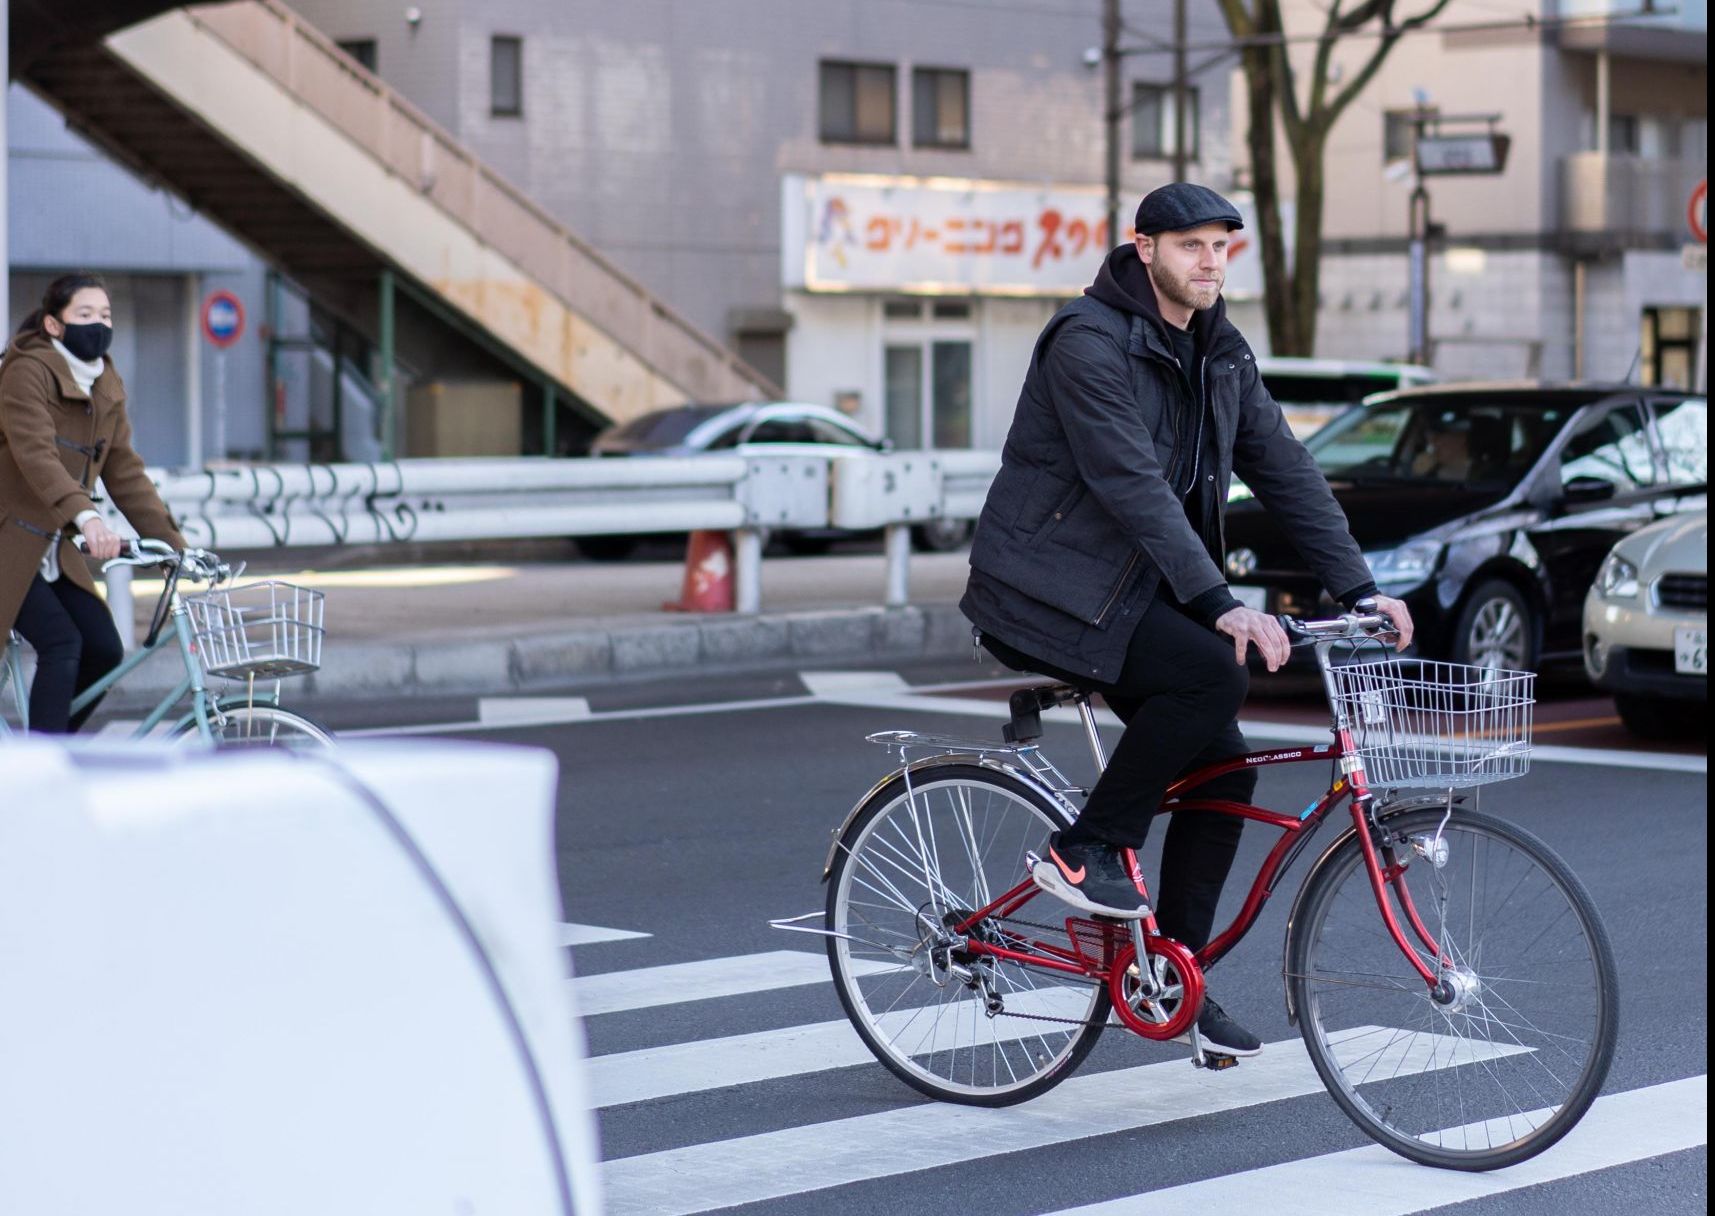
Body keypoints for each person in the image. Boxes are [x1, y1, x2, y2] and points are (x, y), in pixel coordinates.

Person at [960, 184, 1415, 1056]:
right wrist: (1218, 604)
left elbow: (1283, 468)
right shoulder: (1086, 341)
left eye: (1220, 247)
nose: (1208, 263)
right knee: (1210, 672)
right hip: (1042, 588)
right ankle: (1084, 846)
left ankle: (1169, 973)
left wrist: (1358, 588)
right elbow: (1127, 481)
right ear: (1144, 250)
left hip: (1129, 588)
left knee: (1226, 772)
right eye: (1190, 246)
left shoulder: (1219, 348)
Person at [0, 273, 187, 733]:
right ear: (53, 324)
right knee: (62, 642)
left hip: (47, 548)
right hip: (7, 539)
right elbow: (36, 456)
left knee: (103, 649)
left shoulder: (104, 382)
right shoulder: (27, 371)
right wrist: (87, 517)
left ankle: (53, 745)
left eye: (105, 315)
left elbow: (123, 470)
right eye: (84, 315)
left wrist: (173, 546)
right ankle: (42, 771)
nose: (98, 325)